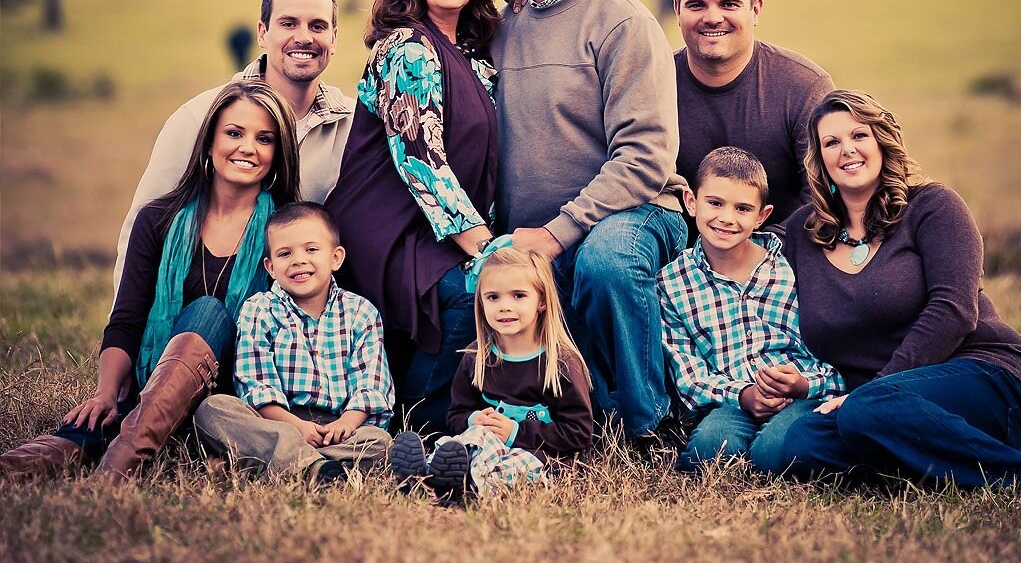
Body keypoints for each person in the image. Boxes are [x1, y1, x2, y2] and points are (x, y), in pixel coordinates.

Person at [755, 89, 1021, 489]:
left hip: (985, 379)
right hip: (883, 412)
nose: (847, 150)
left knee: (863, 413)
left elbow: (954, 310)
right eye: (831, 142)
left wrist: (876, 391)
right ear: (819, 160)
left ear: (882, 141)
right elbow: (743, 256)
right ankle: (936, 475)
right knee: (800, 444)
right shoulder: (802, 233)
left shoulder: (933, 207)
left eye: (859, 135)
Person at [0, 81, 300, 480]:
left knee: (208, 313)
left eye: (264, 139)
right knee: (83, 431)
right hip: (153, 385)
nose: (248, 148)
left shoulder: (288, 232)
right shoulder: (157, 219)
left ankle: (116, 473)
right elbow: (127, 320)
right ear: (209, 142)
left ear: (277, 154)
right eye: (234, 133)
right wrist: (106, 393)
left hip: (237, 399)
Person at [493, 0, 688, 442]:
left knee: (604, 260)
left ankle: (650, 427)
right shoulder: (507, 22)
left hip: (637, 213)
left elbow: (646, 156)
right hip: (537, 229)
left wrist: (557, 233)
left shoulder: (622, 22)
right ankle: (578, 420)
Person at [326, 0, 499, 434]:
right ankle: (421, 423)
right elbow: (422, 161)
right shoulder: (408, 48)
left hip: (434, 226)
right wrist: (485, 245)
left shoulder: (472, 52)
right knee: (472, 293)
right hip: (387, 222)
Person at [114, 0, 353, 291]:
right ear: (262, 33)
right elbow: (145, 226)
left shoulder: (355, 126)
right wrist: (123, 331)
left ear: (334, 39)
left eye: (318, 26)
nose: (304, 37)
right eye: (289, 24)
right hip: (209, 300)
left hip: (307, 314)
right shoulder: (201, 117)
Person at [659, 147, 844, 473]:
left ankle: (775, 450)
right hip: (731, 399)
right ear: (691, 201)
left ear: (762, 215)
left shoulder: (791, 266)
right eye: (714, 203)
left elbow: (829, 344)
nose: (727, 218)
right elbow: (688, 374)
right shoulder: (671, 283)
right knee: (707, 450)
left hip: (799, 393)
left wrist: (802, 385)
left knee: (775, 452)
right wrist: (744, 394)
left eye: (743, 208)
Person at [194, 202, 393, 486]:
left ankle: (290, 465)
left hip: (337, 429)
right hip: (278, 422)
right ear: (271, 267)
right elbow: (255, 384)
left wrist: (346, 423)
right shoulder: (260, 309)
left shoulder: (361, 312)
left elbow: (372, 384)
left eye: (311, 250)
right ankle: (317, 468)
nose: (298, 260)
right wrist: (295, 427)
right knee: (213, 410)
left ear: (335, 257)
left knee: (379, 441)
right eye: (285, 253)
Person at [388, 248, 593, 503]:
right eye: (493, 297)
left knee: (511, 467)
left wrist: (515, 432)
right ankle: (425, 475)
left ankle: (459, 486)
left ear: (541, 301)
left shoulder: (560, 363)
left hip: (537, 457)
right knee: (466, 441)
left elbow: (579, 432)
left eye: (518, 296)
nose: (505, 307)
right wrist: (473, 420)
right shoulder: (477, 357)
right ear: (481, 303)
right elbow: (456, 415)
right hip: (485, 446)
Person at [674, 0, 833, 227]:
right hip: (679, 257)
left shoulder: (804, 87)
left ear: (755, 10)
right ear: (677, 9)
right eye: (697, 5)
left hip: (784, 253)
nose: (712, 17)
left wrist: (764, 255)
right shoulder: (650, 83)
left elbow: (823, 196)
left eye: (729, 4)